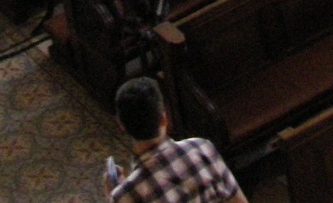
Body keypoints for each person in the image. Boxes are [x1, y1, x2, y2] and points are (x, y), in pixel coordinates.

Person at [104, 77, 244, 203]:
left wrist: (115, 194)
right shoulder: (202, 147)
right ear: (164, 119)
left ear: (122, 126)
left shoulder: (124, 196)